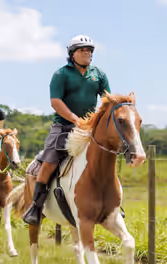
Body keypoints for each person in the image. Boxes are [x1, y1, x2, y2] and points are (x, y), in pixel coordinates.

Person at [22, 34, 111, 225]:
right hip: (63, 126)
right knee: (49, 162)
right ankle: (36, 207)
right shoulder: (61, 74)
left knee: (105, 158)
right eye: (83, 50)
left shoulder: (99, 74)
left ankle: (112, 204)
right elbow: (55, 101)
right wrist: (74, 119)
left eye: (90, 50)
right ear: (72, 54)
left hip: (89, 127)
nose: (87, 53)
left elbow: (106, 100)